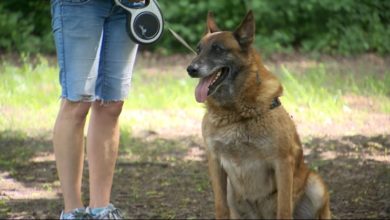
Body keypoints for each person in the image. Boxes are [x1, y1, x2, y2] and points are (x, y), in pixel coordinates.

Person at [50, 0, 144, 219]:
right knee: (77, 103)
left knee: (112, 104)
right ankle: (72, 212)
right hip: (80, 4)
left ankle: (101, 209)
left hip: (130, 6)